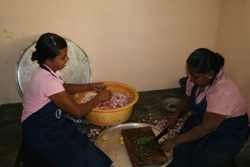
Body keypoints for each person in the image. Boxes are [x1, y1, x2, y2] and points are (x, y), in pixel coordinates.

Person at [20, 32, 113, 167]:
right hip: (40, 131)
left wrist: (92, 86)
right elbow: (77, 112)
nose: (67, 59)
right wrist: (98, 98)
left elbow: (65, 88)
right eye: (63, 57)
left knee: (84, 144)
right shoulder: (47, 80)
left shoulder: (46, 70)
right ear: (48, 60)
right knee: (80, 158)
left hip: (53, 124)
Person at [161, 48, 249, 167]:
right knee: (179, 158)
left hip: (226, 129)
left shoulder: (223, 91)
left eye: (195, 76)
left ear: (210, 75)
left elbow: (208, 128)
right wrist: (175, 116)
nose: (191, 79)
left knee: (202, 160)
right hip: (201, 120)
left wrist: (175, 140)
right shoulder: (196, 79)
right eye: (190, 74)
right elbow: (187, 100)